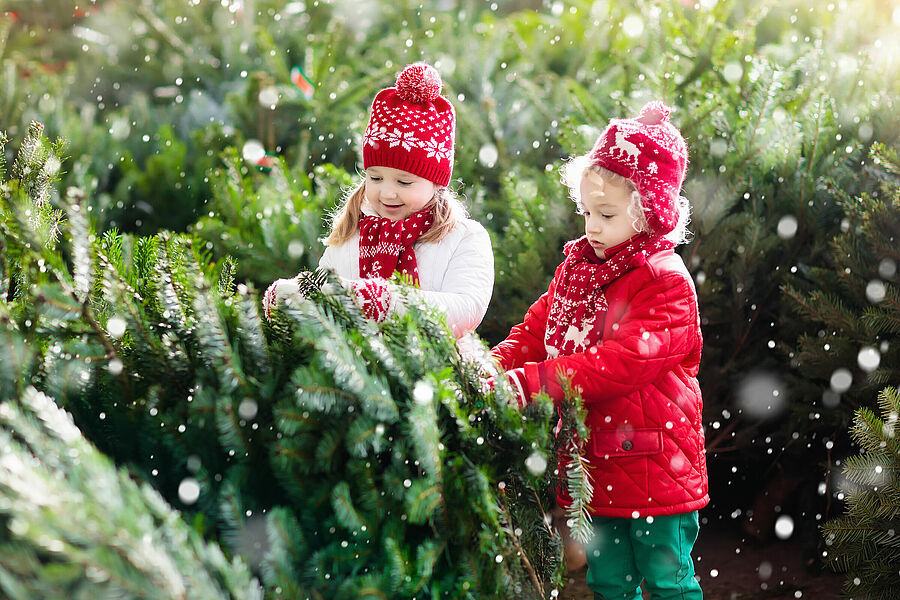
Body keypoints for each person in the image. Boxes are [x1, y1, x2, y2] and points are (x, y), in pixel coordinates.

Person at [491, 101, 708, 599]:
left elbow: (619, 364)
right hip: (596, 465)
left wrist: (531, 383)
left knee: (667, 577)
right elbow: (538, 328)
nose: (591, 225)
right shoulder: (581, 270)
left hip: (657, 465)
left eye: (606, 214)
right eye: (586, 211)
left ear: (649, 212)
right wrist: (496, 363)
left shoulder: (664, 282)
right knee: (608, 579)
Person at [264, 62, 494, 338]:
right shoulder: (353, 232)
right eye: (375, 178)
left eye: (404, 182)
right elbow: (325, 296)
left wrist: (380, 301)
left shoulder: (464, 238)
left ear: (436, 182)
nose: (387, 192)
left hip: (437, 375)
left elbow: (465, 309)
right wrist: (295, 298)